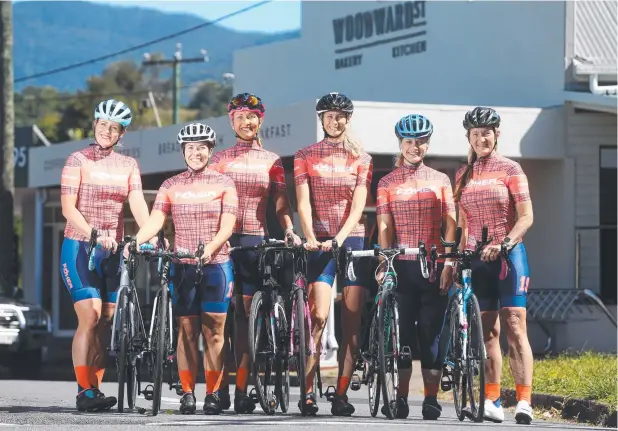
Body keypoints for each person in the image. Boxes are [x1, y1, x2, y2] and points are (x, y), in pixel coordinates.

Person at [125, 123, 238, 415]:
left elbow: (229, 224)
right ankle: (188, 392)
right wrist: (136, 241)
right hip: (183, 265)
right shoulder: (170, 186)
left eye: (202, 147)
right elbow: (156, 219)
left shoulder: (224, 183)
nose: (196, 153)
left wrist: (211, 247)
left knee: (214, 333)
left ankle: (213, 393)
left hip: (216, 265)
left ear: (211, 151)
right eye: (190, 148)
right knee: (186, 331)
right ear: (183, 152)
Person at [210, 92, 300, 414]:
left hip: (254, 241)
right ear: (231, 121)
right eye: (240, 117)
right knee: (220, 319)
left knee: (246, 318)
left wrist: (289, 227)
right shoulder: (219, 159)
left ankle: (242, 391)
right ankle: (216, 389)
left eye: (252, 117)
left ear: (260, 121)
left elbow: (280, 202)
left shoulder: (272, 161)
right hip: (222, 240)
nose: (246, 122)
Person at [59, 99, 152, 411]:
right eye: (103, 125)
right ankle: (83, 390)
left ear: (121, 133)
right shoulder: (77, 160)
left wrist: (148, 233)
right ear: (95, 125)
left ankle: (95, 389)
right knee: (90, 315)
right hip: (80, 246)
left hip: (113, 252)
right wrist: (94, 235)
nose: (107, 131)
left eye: (114, 128)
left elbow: (137, 203)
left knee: (106, 323)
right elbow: (68, 208)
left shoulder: (128, 166)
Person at [454, 107, 534, 424]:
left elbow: (527, 216)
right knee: (487, 333)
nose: (480, 138)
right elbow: (462, 225)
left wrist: (504, 244)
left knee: (515, 325)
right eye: (475, 134)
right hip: (475, 257)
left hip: (508, 256)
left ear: (496, 134)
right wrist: (453, 263)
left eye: (486, 132)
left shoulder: (511, 169)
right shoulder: (463, 174)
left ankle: (524, 401)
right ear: (469, 138)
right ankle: (492, 400)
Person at [294, 92, 373, 416]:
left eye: (340, 116)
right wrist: (311, 236)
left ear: (347, 119)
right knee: (319, 316)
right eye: (329, 115)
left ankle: (341, 394)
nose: (335, 120)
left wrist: (340, 237)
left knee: (350, 324)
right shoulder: (305, 155)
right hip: (319, 242)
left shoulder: (361, 157)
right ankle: (308, 392)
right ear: (321, 119)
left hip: (351, 240)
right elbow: (303, 202)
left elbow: (358, 205)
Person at [375, 114, 457, 419]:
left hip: (434, 266)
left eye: (420, 141)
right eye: (409, 141)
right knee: (404, 338)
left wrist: (448, 262)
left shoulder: (441, 180)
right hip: (403, 267)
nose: (415, 147)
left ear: (427, 143)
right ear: (400, 144)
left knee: (431, 335)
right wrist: (385, 261)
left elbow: (451, 224)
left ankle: (431, 399)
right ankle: (401, 398)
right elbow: (385, 226)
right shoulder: (386, 183)